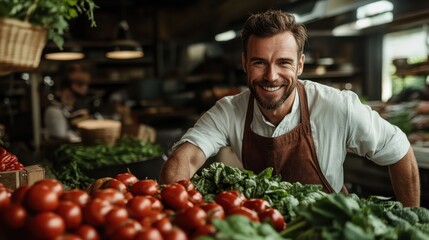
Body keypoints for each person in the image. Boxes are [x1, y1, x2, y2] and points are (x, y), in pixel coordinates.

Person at [159, 10, 421, 207]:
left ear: (300, 65)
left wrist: (410, 224)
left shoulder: (338, 107)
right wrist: (177, 210)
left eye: (284, 62)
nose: (271, 76)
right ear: (244, 63)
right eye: (259, 62)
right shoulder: (229, 111)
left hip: (325, 227)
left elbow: (399, 150)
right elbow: (185, 159)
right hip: (261, 227)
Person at [44, 63, 92, 142]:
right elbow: (60, 139)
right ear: (68, 84)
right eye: (80, 84)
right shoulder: (54, 111)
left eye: (86, 85)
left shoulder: (75, 108)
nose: (85, 88)